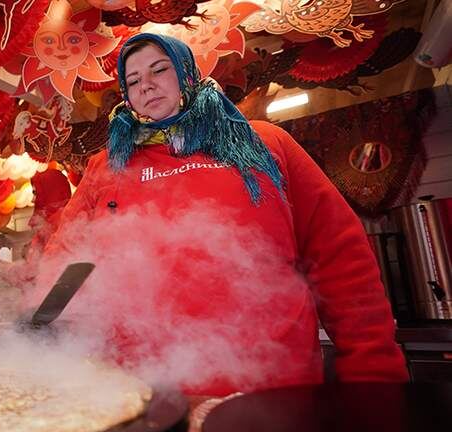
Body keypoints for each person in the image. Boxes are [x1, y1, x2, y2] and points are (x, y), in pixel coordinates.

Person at [41, 33, 409, 395]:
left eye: (159, 70)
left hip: (271, 390)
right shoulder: (106, 166)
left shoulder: (264, 143)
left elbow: (339, 259)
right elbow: (66, 260)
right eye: (133, 80)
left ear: (188, 73)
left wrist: (375, 380)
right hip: (141, 396)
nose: (146, 86)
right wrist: (35, 325)